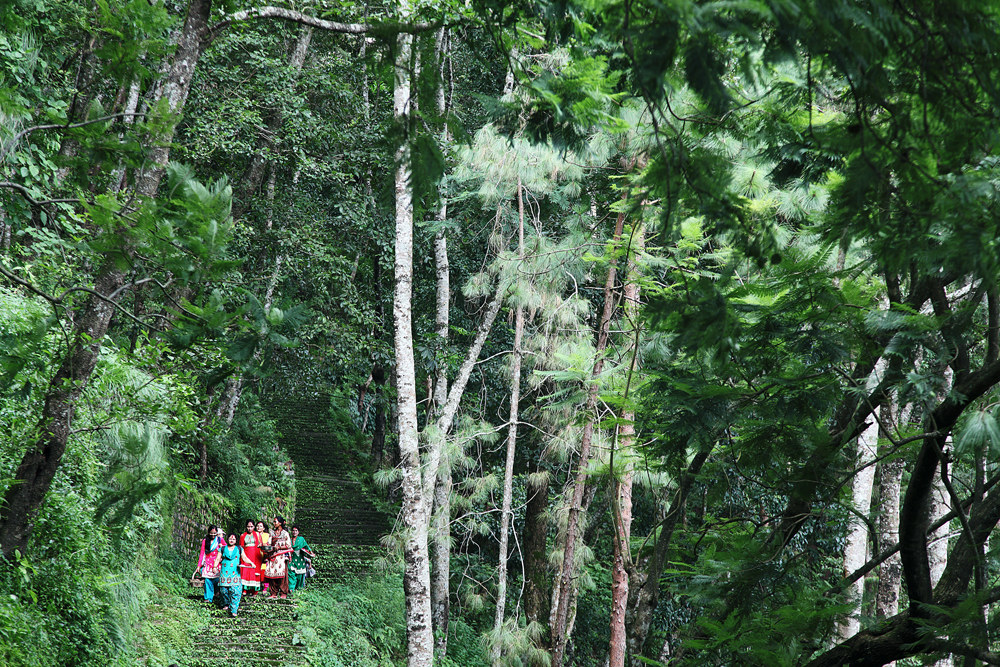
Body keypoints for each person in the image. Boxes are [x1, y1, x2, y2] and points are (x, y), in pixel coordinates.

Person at [218, 532, 254, 618]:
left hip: (235, 574)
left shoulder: (239, 549)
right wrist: (215, 567)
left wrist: (251, 563)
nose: (232, 540)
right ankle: (226, 604)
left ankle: (234, 610)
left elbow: (244, 558)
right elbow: (218, 558)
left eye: (233, 539)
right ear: (227, 539)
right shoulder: (222, 549)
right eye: (230, 538)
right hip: (224, 574)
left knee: (236, 591)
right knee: (224, 591)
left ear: (236, 540)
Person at [193, 525, 223, 604]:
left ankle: (217, 592)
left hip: (217, 563)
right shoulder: (205, 540)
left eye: (215, 533)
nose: (213, 535)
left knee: (217, 579)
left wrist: (222, 547)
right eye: (211, 533)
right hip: (208, 563)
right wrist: (199, 565)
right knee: (207, 580)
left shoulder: (220, 540)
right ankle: (208, 598)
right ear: (208, 533)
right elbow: (202, 553)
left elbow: (227, 549)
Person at [263, 516, 292, 599]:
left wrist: (279, 547)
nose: (274, 523)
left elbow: (288, 545)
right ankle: (273, 592)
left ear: (280, 523)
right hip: (273, 556)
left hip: (281, 556)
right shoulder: (272, 533)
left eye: (275, 522)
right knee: (272, 574)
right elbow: (269, 543)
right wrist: (264, 545)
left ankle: (283, 592)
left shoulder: (285, 534)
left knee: (282, 575)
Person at [288, 525, 315, 595]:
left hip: (300, 559)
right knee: (291, 574)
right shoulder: (289, 539)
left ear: (298, 532)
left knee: (300, 576)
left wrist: (311, 552)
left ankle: (299, 591)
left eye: (296, 531)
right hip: (292, 558)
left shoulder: (301, 539)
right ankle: (291, 590)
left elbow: (307, 547)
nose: (294, 532)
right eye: (293, 530)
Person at [239, 520, 263, 597]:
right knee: (246, 571)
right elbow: (241, 547)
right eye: (248, 527)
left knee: (255, 571)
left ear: (254, 527)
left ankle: (254, 591)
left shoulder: (257, 535)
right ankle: (245, 589)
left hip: (255, 555)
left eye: (251, 526)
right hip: (246, 554)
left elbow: (261, 544)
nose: (250, 528)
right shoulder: (243, 535)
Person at [256, 520, 271, 595]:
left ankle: (265, 588)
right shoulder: (254, 534)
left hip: (264, 554)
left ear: (264, 528)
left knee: (264, 571)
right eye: (257, 526)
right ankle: (256, 588)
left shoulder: (267, 535)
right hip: (256, 554)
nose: (258, 527)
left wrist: (263, 544)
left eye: (260, 526)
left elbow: (269, 543)